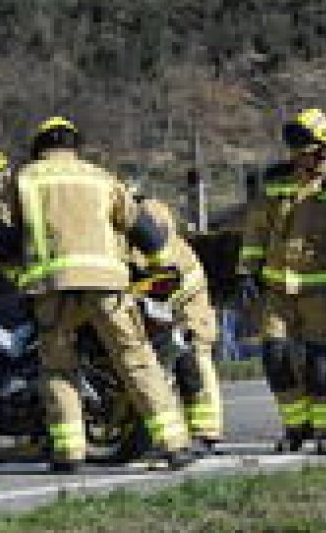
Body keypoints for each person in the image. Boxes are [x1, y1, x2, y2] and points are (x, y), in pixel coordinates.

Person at [4, 116, 195, 472]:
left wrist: (17, 277)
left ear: (39, 147)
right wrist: (161, 264)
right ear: (75, 146)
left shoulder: (25, 178)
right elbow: (141, 227)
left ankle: (69, 454)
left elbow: (6, 238)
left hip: (52, 288)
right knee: (135, 360)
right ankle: (175, 445)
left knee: (59, 369)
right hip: (107, 285)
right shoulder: (100, 177)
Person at [237, 108, 326, 455]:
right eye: (294, 147)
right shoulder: (276, 182)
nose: (295, 154)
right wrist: (246, 270)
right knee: (275, 358)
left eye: (302, 146)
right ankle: (296, 426)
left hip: (323, 292)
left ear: (322, 147)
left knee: (321, 363)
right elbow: (256, 230)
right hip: (277, 290)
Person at [132, 192, 224, 455]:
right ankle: (187, 432)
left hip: (187, 298)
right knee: (175, 361)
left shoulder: (147, 215)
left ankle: (206, 431)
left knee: (194, 354)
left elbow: (158, 266)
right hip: (169, 293)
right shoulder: (147, 214)